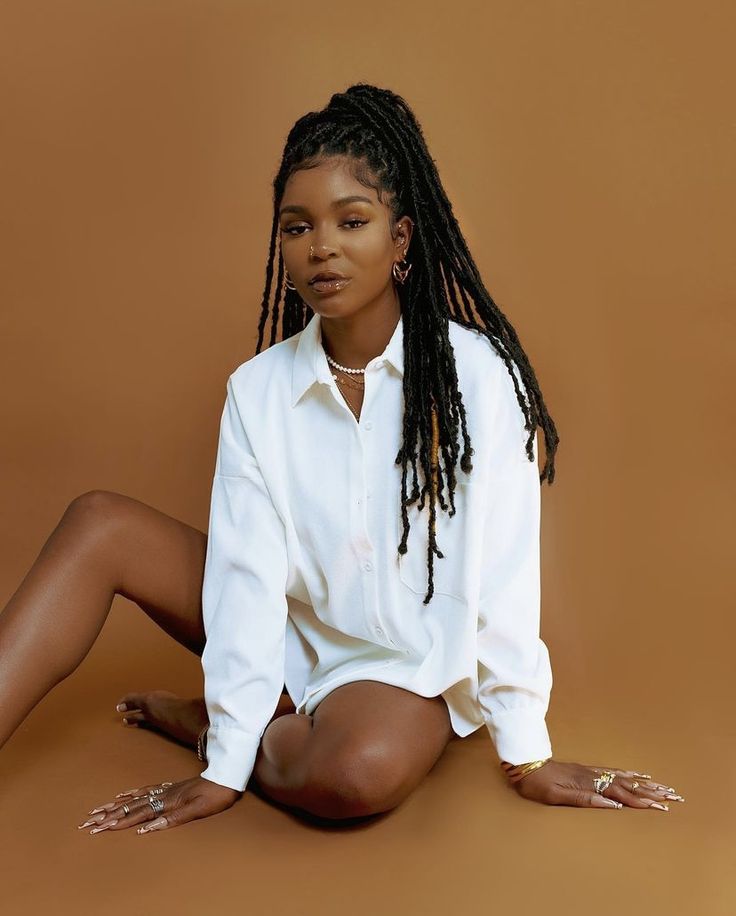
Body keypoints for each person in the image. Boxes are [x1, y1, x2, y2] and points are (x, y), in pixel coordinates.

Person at [1, 84, 683, 837]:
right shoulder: (257, 391)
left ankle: (223, 721)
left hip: (400, 667)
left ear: (400, 239)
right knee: (98, 522)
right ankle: (251, 715)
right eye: (298, 227)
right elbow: (247, 576)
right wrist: (225, 766)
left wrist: (525, 752)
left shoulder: (481, 381)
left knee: (358, 776)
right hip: (287, 628)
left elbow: (505, 574)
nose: (321, 246)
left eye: (351, 221)